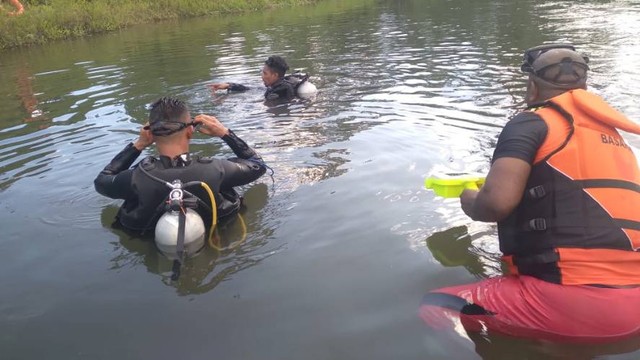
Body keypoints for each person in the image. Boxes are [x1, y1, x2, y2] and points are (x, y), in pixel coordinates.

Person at [421, 44, 640, 344]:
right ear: (584, 87)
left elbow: (496, 204)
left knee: (436, 304)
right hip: (635, 305)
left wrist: (471, 201)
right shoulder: (617, 140)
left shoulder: (530, 121)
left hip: (580, 307)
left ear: (532, 87)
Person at [94, 97, 266, 233]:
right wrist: (224, 133)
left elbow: (102, 180)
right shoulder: (216, 169)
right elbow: (257, 165)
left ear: (150, 134)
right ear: (190, 131)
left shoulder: (136, 178)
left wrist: (138, 145)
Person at [209, 55, 311, 101]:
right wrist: (229, 85)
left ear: (275, 75)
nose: (262, 76)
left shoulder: (282, 89)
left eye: (265, 73)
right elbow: (250, 89)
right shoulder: (276, 85)